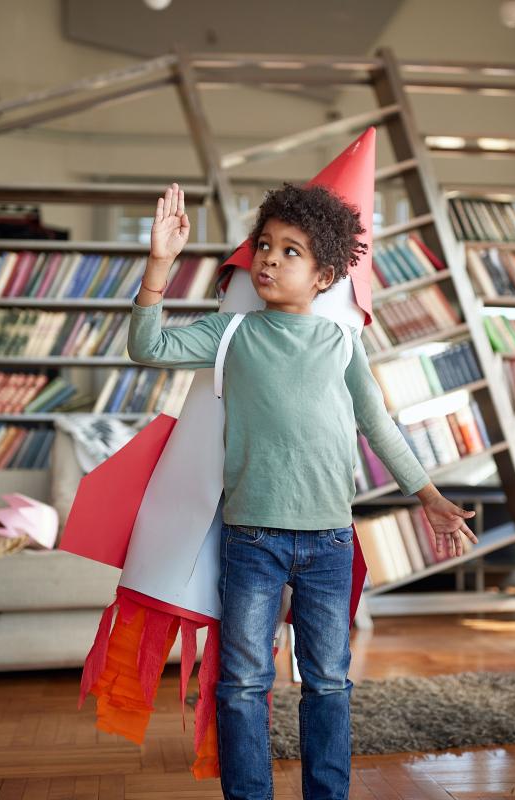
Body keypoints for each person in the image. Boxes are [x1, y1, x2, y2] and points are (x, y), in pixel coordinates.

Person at [127, 182, 478, 800]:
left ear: (325, 276)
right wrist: (161, 264)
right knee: (241, 683)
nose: (268, 258)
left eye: (291, 251)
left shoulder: (343, 342)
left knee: (328, 684)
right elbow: (147, 346)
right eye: (265, 245)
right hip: (252, 540)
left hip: (329, 543)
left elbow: (378, 427)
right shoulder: (231, 334)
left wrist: (431, 497)